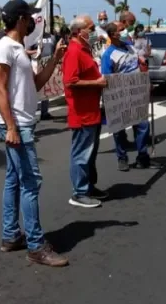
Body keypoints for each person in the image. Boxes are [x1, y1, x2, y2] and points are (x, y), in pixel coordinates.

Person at [0, 0, 68, 267]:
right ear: (21, 20)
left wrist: (56, 59)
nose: (35, 22)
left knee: (14, 180)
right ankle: (36, 246)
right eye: (31, 18)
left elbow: (34, 84)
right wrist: (11, 127)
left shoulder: (18, 49)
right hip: (17, 126)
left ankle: (10, 235)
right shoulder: (4, 48)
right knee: (31, 182)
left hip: (21, 123)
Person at [63, 15, 109, 208]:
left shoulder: (84, 50)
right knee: (81, 153)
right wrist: (96, 83)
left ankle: (88, 185)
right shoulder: (74, 52)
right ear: (79, 31)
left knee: (90, 153)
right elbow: (70, 82)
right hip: (82, 112)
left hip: (92, 110)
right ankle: (79, 192)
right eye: (90, 29)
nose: (92, 32)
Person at [100, 22, 154, 171]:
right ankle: (122, 158)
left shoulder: (130, 47)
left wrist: (146, 80)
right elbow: (107, 78)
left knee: (143, 125)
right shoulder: (108, 55)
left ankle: (142, 156)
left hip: (136, 94)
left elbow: (140, 63)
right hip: (120, 96)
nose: (124, 31)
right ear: (113, 35)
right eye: (120, 30)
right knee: (119, 129)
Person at [37, 28, 60, 120]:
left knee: (47, 88)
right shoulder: (33, 37)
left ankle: (44, 112)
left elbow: (55, 50)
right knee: (36, 88)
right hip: (37, 64)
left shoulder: (52, 37)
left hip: (48, 64)